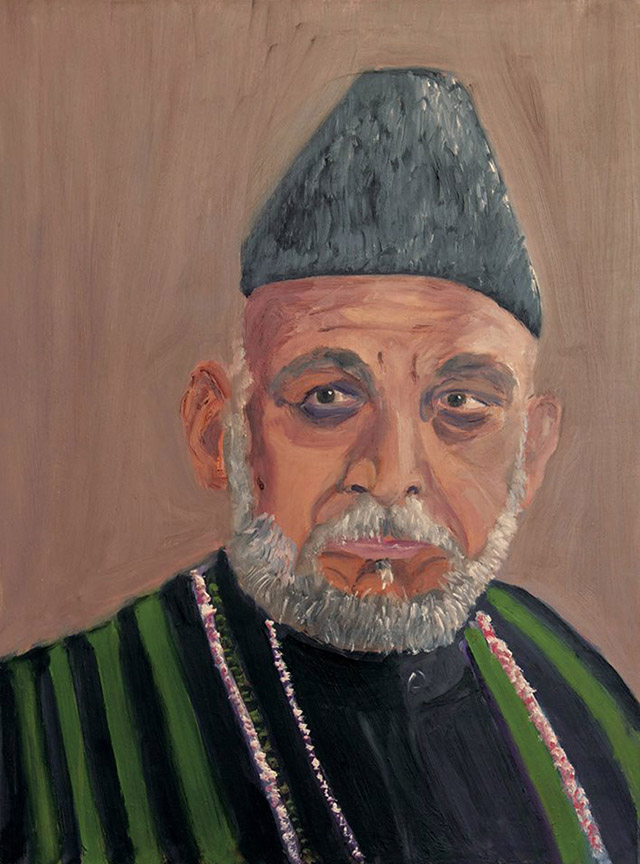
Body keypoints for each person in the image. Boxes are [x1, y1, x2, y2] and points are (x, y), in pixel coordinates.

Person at [0, 68, 638, 864]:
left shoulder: (595, 713)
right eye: (328, 397)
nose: (393, 474)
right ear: (219, 432)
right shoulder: (36, 740)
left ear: (531, 454)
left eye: (462, 405)